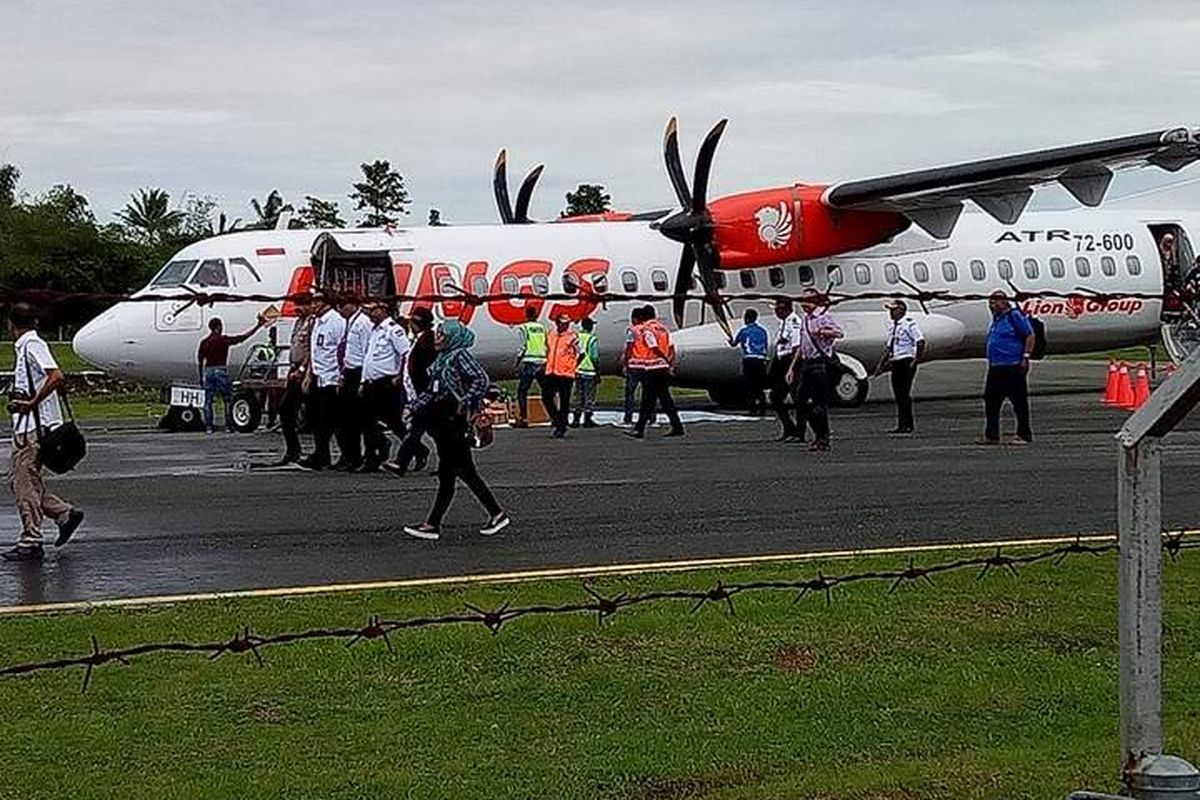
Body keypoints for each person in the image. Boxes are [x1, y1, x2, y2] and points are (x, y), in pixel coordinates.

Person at [403, 321, 510, 541]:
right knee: (451, 474)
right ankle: (434, 524)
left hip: (455, 422)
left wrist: (466, 401)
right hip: (444, 422)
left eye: (441, 335)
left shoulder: (459, 355)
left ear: (452, 338)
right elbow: (433, 391)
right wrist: (412, 407)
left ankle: (493, 514)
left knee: (460, 472)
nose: (437, 338)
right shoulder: (442, 360)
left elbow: (481, 379)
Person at [3, 303, 84, 562]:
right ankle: (64, 514)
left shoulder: (32, 346)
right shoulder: (26, 347)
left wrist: (32, 403)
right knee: (20, 482)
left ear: (11, 323)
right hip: (27, 427)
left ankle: (31, 539)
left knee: (24, 484)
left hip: (33, 430)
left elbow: (56, 376)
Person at [787, 288, 844, 451]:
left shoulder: (823, 317)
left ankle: (823, 438)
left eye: (807, 300)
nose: (803, 304)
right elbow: (802, 345)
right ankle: (818, 433)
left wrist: (823, 331)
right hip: (807, 364)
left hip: (820, 364)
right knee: (800, 400)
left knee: (819, 403)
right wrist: (792, 367)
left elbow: (839, 333)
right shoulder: (805, 320)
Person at [297, 293, 346, 471]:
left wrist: (340, 375)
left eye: (317, 301)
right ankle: (321, 455)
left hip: (331, 379)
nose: (313, 305)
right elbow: (315, 351)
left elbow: (341, 350)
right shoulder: (317, 321)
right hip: (318, 377)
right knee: (317, 420)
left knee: (332, 420)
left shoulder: (336, 322)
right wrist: (309, 374)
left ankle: (345, 454)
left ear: (326, 303)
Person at [359, 301, 409, 472]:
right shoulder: (375, 330)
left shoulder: (393, 329)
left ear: (383, 310)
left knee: (393, 421)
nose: (370, 313)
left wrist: (400, 376)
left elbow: (405, 353)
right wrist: (363, 381)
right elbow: (370, 358)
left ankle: (416, 448)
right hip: (371, 383)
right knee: (366, 421)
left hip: (386, 383)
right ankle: (372, 457)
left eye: (373, 310)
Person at [385, 307, 434, 475]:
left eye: (412, 322)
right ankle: (415, 457)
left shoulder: (426, 342)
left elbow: (424, 368)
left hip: (422, 393)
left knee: (417, 429)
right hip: (413, 391)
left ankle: (401, 462)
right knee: (428, 430)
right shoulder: (418, 340)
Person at [982, 290, 1035, 444]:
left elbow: (1029, 335)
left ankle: (1024, 434)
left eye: (995, 302)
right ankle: (992, 435)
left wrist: (1026, 356)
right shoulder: (997, 319)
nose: (992, 305)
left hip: (1012, 366)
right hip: (996, 366)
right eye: (990, 302)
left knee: (1018, 402)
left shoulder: (1014, 316)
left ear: (1005, 301)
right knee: (991, 401)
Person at [197, 315, 265, 433]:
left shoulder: (204, 342)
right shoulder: (223, 340)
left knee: (208, 400)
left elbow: (200, 360)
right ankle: (228, 426)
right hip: (220, 369)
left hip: (208, 371)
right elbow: (242, 337)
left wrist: (201, 377)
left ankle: (209, 427)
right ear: (218, 327)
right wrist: (258, 326)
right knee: (227, 399)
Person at [624, 305, 684, 439]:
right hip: (662, 368)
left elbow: (653, 347)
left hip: (652, 367)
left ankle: (639, 429)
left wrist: (662, 357)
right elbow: (670, 347)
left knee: (648, 399)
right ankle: (677, 426)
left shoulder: (647, 330)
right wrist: (668, 362)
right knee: (665, 399)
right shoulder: (663, 329)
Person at [274, 294, 313, 465]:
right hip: (294, 369)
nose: (298, 309)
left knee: (316, 413)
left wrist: (303, 369)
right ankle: (293, 449)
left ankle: (305, 451)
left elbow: (312, 349)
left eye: (301, 305)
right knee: (285, 410)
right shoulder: (299, 322)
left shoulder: (312, 323)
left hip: (305, 372)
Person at [334, 296, 373, 470]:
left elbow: (367, 353)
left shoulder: (363, 323)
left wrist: (363, 381)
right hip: (348, 372)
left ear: (353, 305)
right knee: (343, 419)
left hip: (358, 373)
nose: (340, 309)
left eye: (342, 305)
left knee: (354, 420)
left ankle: (357, 456)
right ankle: (349, 455)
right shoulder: (349, 322)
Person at [880, 300, 926, 434]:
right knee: (898, 394)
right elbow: (889, 348)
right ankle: (902, 424)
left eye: (893, 310)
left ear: (901, 310)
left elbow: (920, 341)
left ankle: (908, 424)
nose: (891, 313)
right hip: (896, 362)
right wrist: (881, 365)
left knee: (903, 394)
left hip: (906, 361)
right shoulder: (893, 327)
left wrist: (916, 360)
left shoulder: (909, 324)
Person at [769, 298, 804, 441]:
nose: (776, 312)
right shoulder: (784, 322)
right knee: (775, 397)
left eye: (778, 309)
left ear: (785, 309)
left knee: (798, 398)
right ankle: (789, 428)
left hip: (790, 361)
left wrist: (791, 368)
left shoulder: (794, 322)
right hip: (781, 360)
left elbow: (796, 347)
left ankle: (800, 432)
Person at [543, 313, 582, 438]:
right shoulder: (550, 335)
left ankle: (561, 427)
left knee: (564, 402)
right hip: (551, 371)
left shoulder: (572, 337)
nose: (565, 325)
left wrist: (573, 366)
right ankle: (557, 419)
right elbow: (548, 350)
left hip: (566, 373)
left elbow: (581, 353)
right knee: (546, 397)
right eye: (563, 323)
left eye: (567, 323)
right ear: (557, 323)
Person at [729, 308, 769, 415]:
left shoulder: (744, 331)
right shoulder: (762, 331)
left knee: (750, 385)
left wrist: (731, 341)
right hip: (761, 359)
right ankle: (762, 406)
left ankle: (752, 408)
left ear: (746, 319)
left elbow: (734, 343)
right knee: (759, 385)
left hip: (749, 359)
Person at [512, 306, 546, 428]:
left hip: (530, 362)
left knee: (522, 391)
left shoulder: (524, 328)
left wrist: (517, 362)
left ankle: (523, 418)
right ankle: (554, 417)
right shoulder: (542, 328)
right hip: (542, 362)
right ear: (536, 315)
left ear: (526, 315)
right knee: (546, 392)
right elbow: (546, 344)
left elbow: (523, 346)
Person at [571, 317, 601, 428]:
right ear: (590, 327)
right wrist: (598, 372)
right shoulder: (592, 339)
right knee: (589, 396)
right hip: (589, 370)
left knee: (578, 394)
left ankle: (576, 419)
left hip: (577, 370)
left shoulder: (576, 337)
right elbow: (594, 357)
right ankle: (587, 419)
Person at [621, 309, 646, 427]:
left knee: (630, 393)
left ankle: (628, 418)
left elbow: (629, 348)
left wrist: (625, 363)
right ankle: (651, 418)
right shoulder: (648, 330)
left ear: (635, 319)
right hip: (646, 364)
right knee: (647, 393)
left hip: (634, 364)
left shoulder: (632, 331)